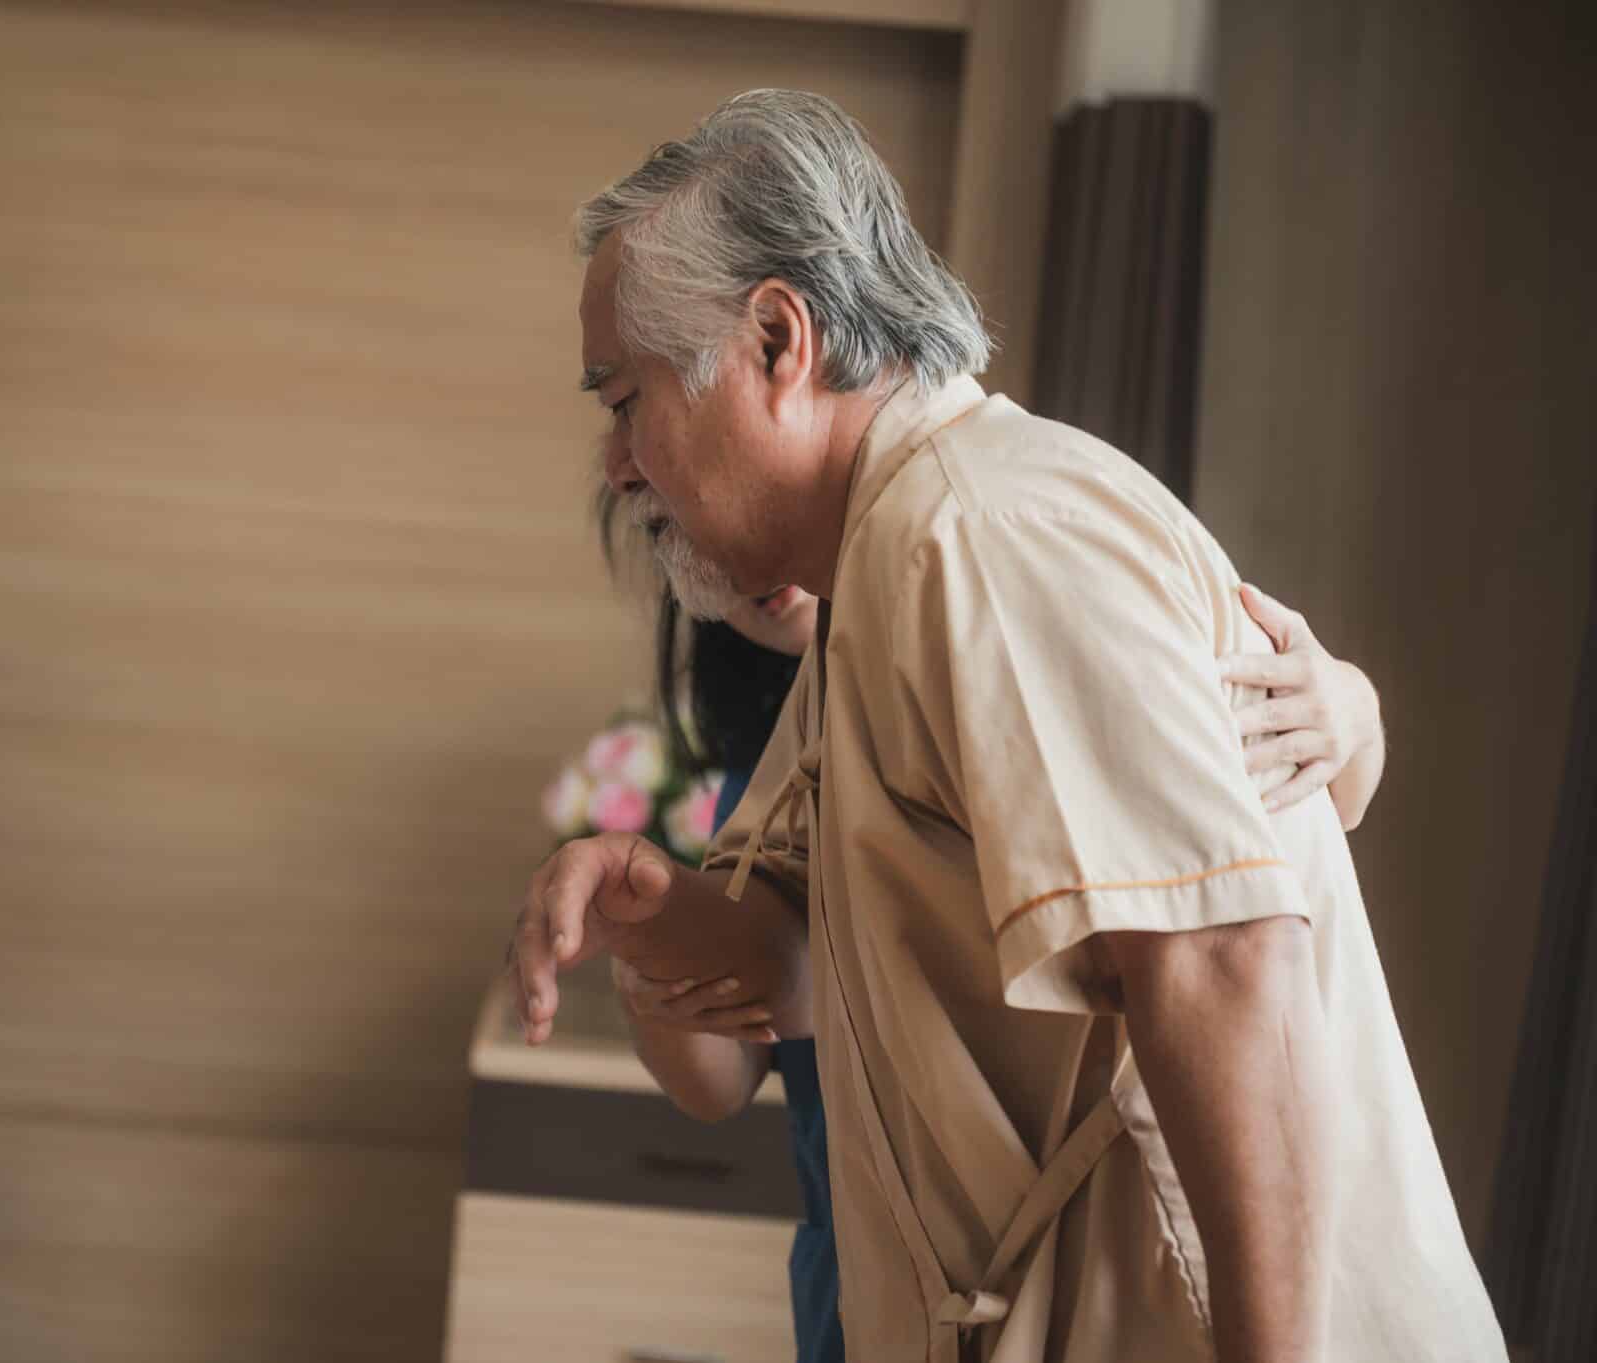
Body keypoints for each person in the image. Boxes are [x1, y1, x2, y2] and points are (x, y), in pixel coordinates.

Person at [511, 90, 1507, 1362]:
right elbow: (800, 966)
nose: (615, 464)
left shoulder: (985, 534)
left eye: (622, 400)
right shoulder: (885, 566)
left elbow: (1220, 961)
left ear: (774, 340)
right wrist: (644, 901)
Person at [598, 537, 1388, 1363]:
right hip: (876, 1262)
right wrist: (645, 944)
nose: (735, 550)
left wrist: (1355, 709)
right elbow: (721, 1075)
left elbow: (1315, 815)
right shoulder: (759, 786)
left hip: (1077, 1237)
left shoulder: (1004, 633)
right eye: (673, 531)